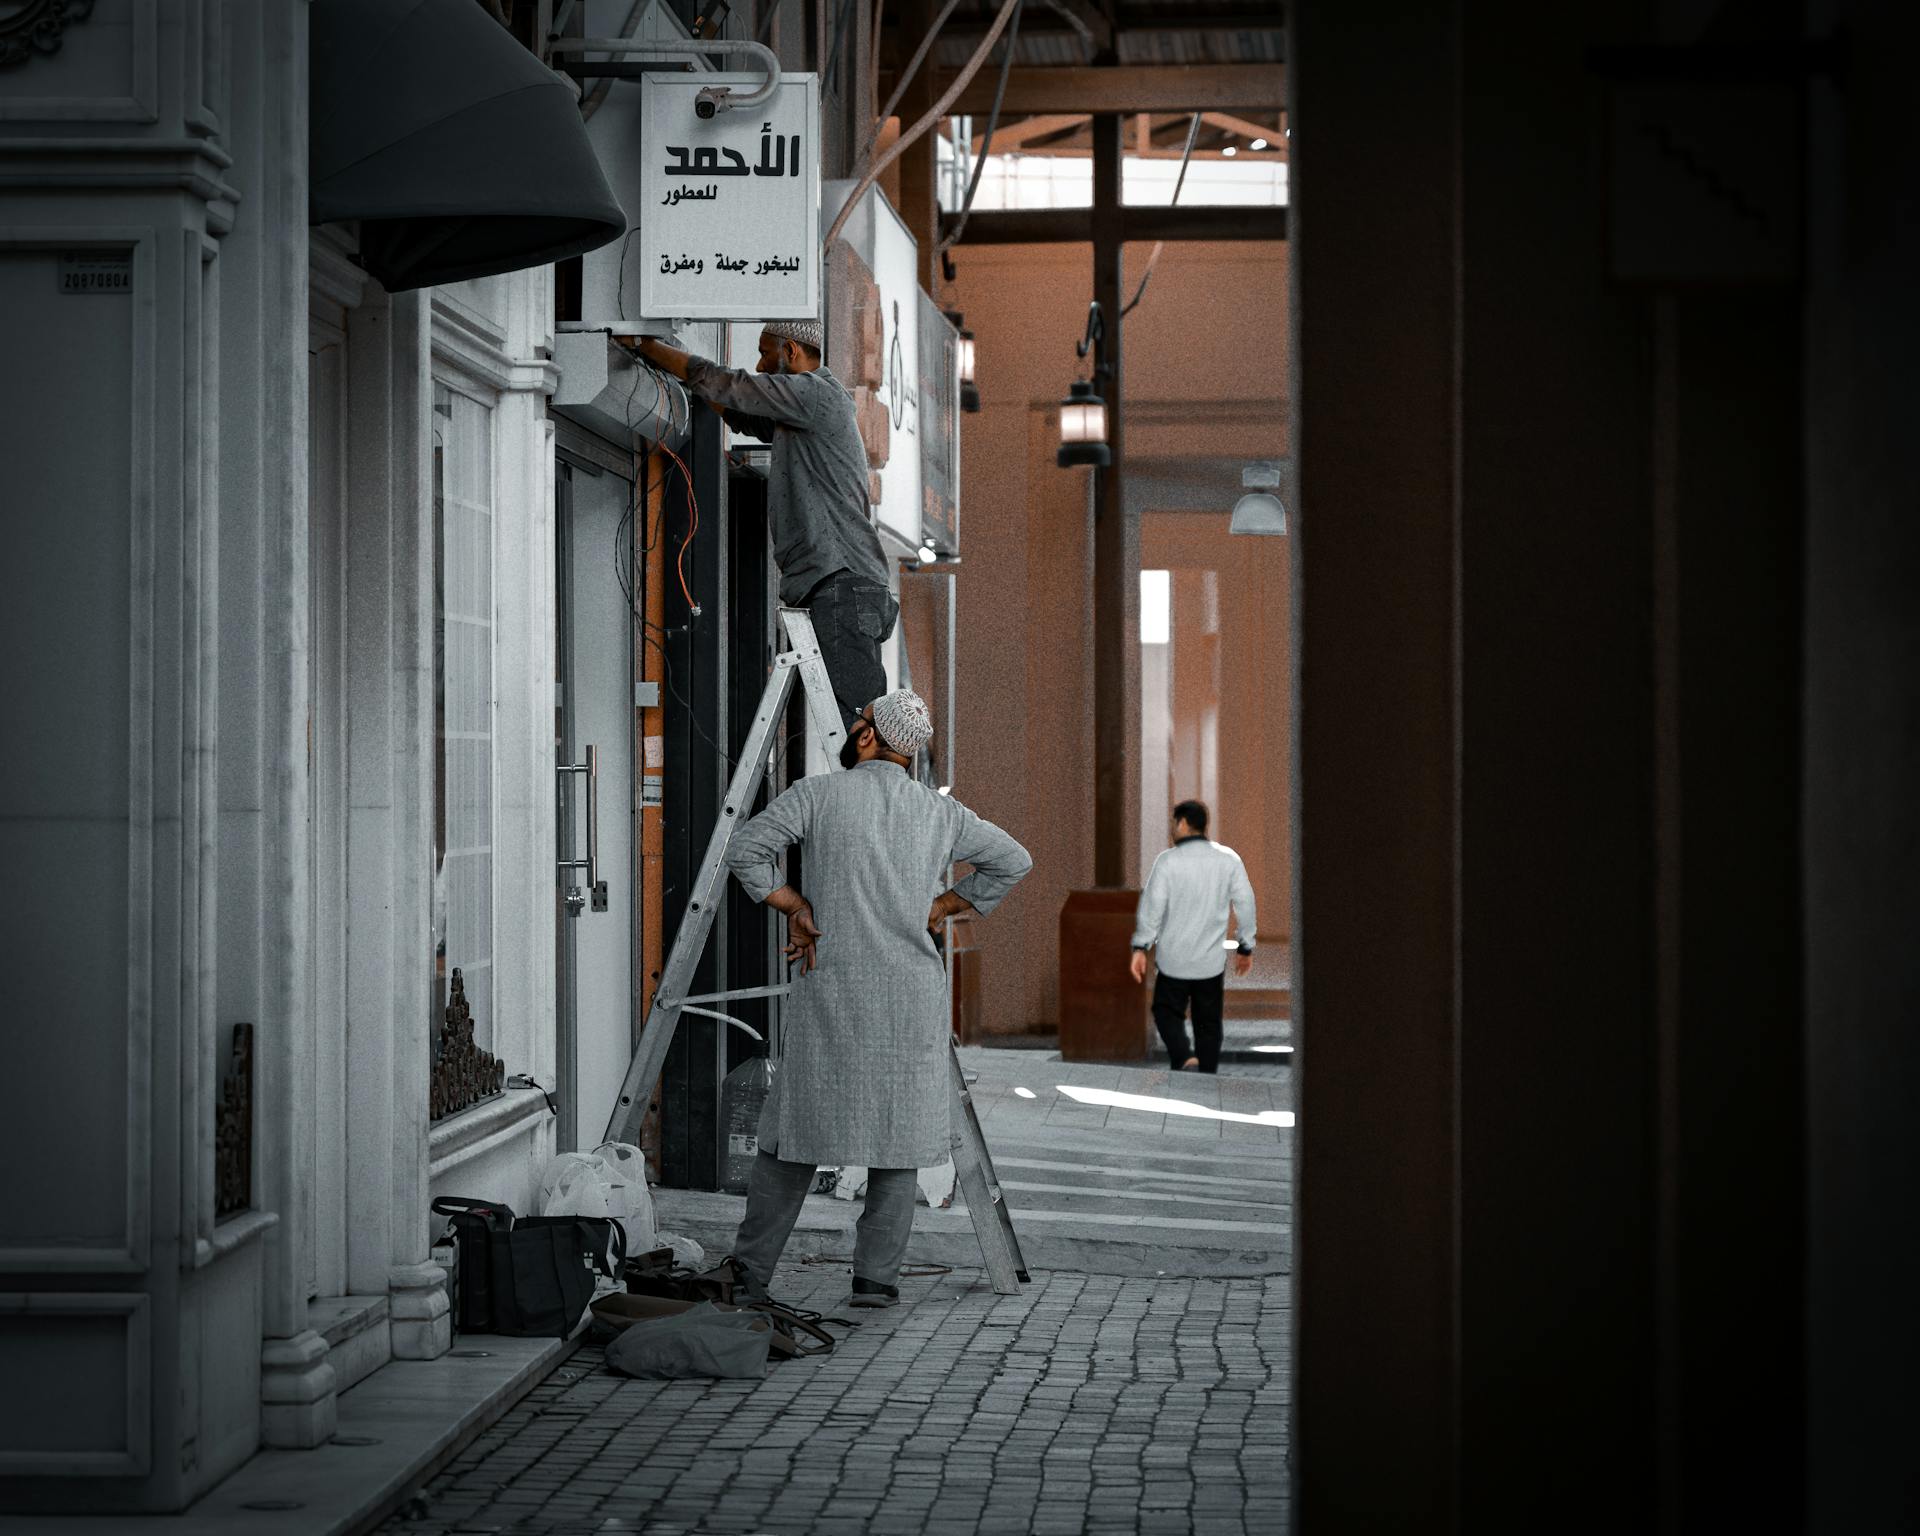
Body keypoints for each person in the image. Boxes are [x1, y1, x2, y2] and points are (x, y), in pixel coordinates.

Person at [721, 688, 1032, 1307]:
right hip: (909, 1000)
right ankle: (875, 1283)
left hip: (832, 990)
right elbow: (1014, 861)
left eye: (860, 721)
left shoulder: (818, 795)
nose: (855, 727)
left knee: (791, 1135)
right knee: (898, 1143)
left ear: (867, 737)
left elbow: (746, 848)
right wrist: (943, 904)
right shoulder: (942, 815)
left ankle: (749, 1274)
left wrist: (794, 904)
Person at [631, 321, 895, 727]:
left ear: (790, 352)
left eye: (764, 353)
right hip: (837, 582)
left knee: (862, 733)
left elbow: (734, 386)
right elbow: (742, 413)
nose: (758, 363)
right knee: (855, 728)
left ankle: (878, 791)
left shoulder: (815, 394)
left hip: (840, 581)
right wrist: (690, 378)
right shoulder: (802, 412)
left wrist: (648, 347)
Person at [1129, 800, 1258, 1075]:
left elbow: (1151, 908)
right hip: (1209, 962)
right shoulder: (1228, 859)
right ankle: (1207, 1073)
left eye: (1174, 823)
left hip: (1173, 960)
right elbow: (1246, 903)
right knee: (1208, 1023)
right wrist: (1245, 946)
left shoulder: (1167, 861)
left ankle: (1183, 1056)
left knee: (1165, 1012)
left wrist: (1141, 946)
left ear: (1184, 823)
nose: (1172, 829)